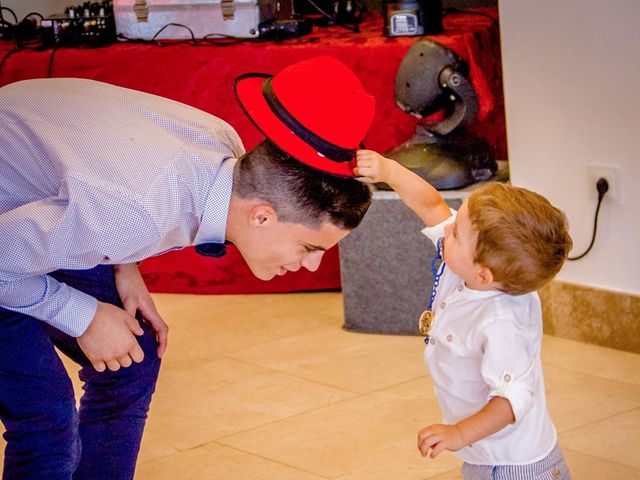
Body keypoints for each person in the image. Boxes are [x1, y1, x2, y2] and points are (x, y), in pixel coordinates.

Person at [0, 55, 374, 479]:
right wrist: (82, 315)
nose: (310, 265)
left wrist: (125, 263)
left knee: (132, 363)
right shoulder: (136, 210)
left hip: (33, 208)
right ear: (263, 216)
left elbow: (103, 168)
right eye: (309, 247)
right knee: (46, 415)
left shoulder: (222, 148)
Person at [354, 150, 573, 479]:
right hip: (485, 456)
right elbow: (431, 205)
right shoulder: (472, 269)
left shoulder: (502, 322)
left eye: (456, 232)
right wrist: (390, 171)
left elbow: (511, 402)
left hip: (516, 467)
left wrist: (458, 434)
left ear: (484, 275)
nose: (448, 227)